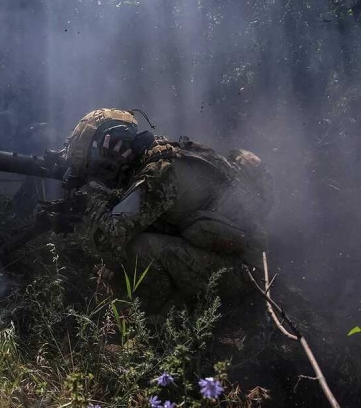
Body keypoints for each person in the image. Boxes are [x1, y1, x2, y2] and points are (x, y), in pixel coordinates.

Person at [63, 108, 273, 308]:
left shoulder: (158, 174)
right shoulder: (162, 155)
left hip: (245, 272)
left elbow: (111, 238)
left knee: (139, 248)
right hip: (244, 256)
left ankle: (163, 317)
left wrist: (95, 186)